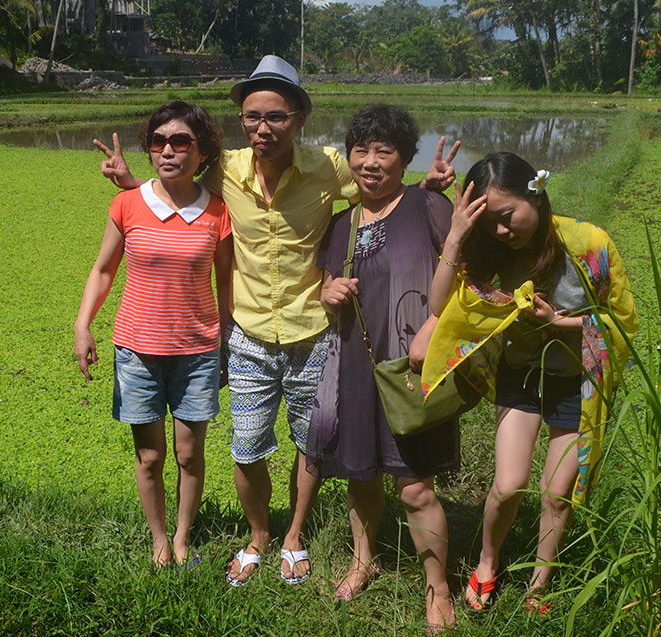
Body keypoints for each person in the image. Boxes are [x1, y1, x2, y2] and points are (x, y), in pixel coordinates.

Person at [95, 56, 460, 587]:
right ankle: (258, 536)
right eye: (252, 116)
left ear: (300, 119)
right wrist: (131, 182)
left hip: (314, 331)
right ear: (242, 120)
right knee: (246, 447)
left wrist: (426, 186)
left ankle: (294, 535)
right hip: (247, 335)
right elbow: (175, 189)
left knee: (311, 444)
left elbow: (381, 191)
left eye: (276, 116)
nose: (262, 127)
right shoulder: (223, 169)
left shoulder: (329, 167)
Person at [424, 152, 638, 612]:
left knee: (558, 493)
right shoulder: (494, 252)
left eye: (507, 216)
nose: (503, 231)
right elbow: (441, 305)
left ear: (535, 195)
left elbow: (622, 322)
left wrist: (558, 322)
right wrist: (458, 234)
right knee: (509, 485)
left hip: (576, 380)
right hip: (521, 374)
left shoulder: (589, 242)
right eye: (490, 224)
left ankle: (539, 584)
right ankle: (487, 561)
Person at [307, 105, 459, 633]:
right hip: (353, 365)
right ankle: (362, 561)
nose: (370, 163)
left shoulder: (427, 205)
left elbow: (465, 275)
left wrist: (435, 323)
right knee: (360, 475)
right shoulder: (342, 222)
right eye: (361, 151)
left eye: (384, 151)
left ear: (404, 158)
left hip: (409, 368)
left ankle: (438, 587)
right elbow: (326, 286)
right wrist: (327, 292)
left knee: (414, 487)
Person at [74, 101, 232, 569]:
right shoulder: (127, 203)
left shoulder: (218, 212)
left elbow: (226, 285)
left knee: (189, 454)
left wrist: (227, 344)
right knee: (149, 455)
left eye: (180, 142)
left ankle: (182, 537)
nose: (167, 151)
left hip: (198, 351)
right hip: (136, 350)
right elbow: (104, 270)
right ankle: (159, 539)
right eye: (158, 141)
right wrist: (83, 324)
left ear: (202, 152)